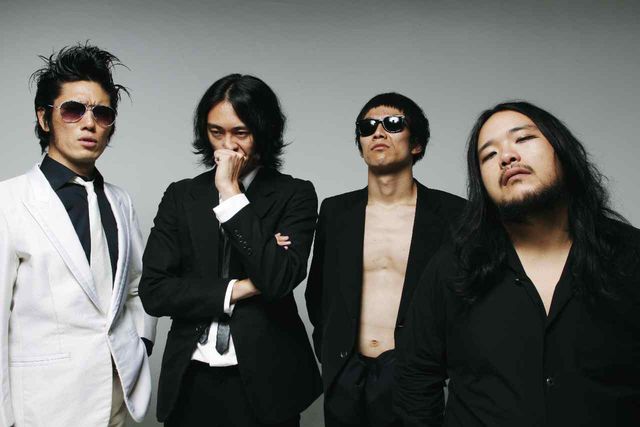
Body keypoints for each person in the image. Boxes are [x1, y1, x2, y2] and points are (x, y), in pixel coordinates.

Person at [394, 101, 640, 426]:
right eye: (488, 155)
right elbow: (415, 373)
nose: (506, 156)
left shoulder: (630, 254)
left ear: (562, 150)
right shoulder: (453, 266)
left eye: (523, 139)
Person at [139, 74, 322, 427]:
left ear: (264, 132)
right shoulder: (181, 196)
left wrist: (231, 192)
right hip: (190, 377)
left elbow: (279, 279)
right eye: (216, 132)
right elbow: (155, 292)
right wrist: (242, 288)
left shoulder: (295, 194)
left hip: (269, 381)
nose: (227, 146)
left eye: (241, 132)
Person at [0, 43, 157, 427]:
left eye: (102, 113)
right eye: (73, 110)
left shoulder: (120, 201)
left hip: (116, 400)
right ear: (44, 118)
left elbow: (138, 286)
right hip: (44, 407)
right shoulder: (9, 201)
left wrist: (139, 344)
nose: (89, 123)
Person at [305, 93, 465, 427]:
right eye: (367, 127)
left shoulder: (453, 214)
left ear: (416, 144)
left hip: (413, 374)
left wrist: (441, 362)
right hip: (346, 374)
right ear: (361, 145)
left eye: (392, 124)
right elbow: (318, 292)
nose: (378, 132)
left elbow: (465, 296)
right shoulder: (335, 212)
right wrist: (333, 356)